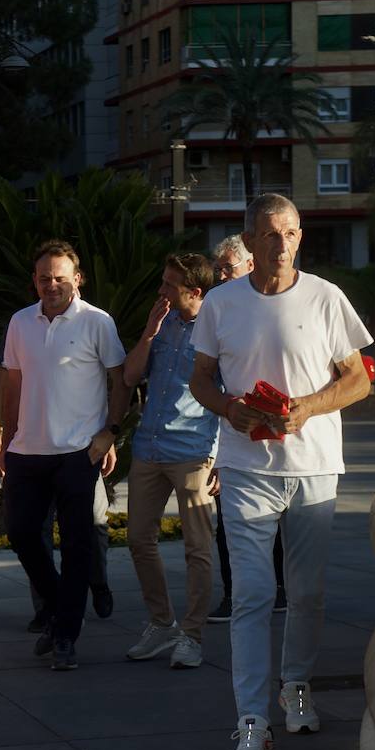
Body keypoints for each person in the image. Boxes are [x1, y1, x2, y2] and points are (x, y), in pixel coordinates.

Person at [190, 193, 371, 750]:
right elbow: (201, 380)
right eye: (270, 235)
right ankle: (251, 721)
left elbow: (361, 379)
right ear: (249, 239)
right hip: (246, 470)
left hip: (315, 467)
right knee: (252, 596)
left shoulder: (326, 297)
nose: (282, 245)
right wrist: (229, 409)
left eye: (291, 233)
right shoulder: (221, 303)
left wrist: (310, 407)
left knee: (308, 592)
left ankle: (296, 687)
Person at [0, 240, 128, 671]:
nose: (51, 284)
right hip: (26, 452)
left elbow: (120, 381)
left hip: (77, 451)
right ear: (34, 280)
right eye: (43, 278)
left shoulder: (98, 322)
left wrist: (109, 434)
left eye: (59, 276)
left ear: (77, 278)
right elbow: (13, 383)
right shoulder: (20, 322)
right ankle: (60, 611)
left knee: (77, 545)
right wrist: (5, 437)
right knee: (20, 533)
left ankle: (66, 635)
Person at [121, 253, 219, 670]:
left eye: (168, 285)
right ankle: (161, 624)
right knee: (138, 539)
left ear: (194, 292)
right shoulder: (162, 326)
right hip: (149, 446)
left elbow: (229, 394)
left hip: (195, 452)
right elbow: (129, 377)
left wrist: (220, 457)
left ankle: (192, 636)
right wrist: (148, 332)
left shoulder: (217, 331)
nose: (161, 291)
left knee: (198, 548)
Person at [206, 236, 285, 623]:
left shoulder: (274, 307)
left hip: (279, 436)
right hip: (229, 435)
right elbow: (203, 381)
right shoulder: (218, 309)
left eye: (227, 267)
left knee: (280, 526)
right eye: (217, 267)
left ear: (250, 265)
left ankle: (281, 590)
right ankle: (235, 593)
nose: (219, 274)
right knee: (230, 528)